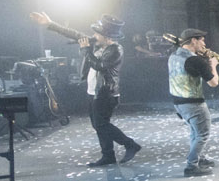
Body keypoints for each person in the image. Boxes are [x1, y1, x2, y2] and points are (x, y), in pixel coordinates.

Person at [30, 11, 140, 166]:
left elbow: (100, 66)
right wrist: (50, 23)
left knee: (101, 124)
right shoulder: (97, 44)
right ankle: (108, 156)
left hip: (106, 94)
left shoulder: (115, 50)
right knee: (98, 125)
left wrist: (86, 50)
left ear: (107, 36)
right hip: (93, 91)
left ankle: (130, 144)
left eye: (97, 33)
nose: (94, 36)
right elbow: (74, 34)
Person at [168, 28, 219, 176]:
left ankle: (199, 159)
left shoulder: (173, 55)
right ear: (193, 40)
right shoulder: (195, 60)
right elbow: (214, 83)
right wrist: (213, 65)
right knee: (202, 134)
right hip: (194, 103)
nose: (204, 44)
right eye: (202, 40)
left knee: (195, 132)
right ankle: (191, 166)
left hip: (178, 102)